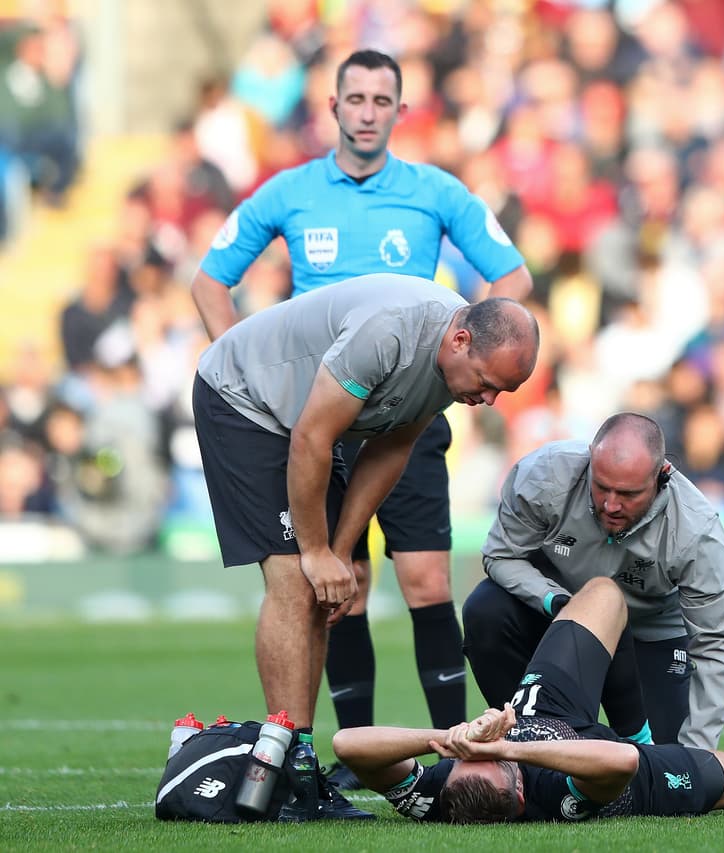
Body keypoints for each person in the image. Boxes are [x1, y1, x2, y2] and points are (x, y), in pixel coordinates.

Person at [191, 48, 534, 789]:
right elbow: (214, 286)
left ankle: (428, 752)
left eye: (383, 100)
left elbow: (513, 280)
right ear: (335, 106)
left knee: (401, 579)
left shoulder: (437, 203)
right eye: (357, 98)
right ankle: (309, 761)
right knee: (301, 578)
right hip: (295, 406)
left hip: (388, 398)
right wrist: (253, 369)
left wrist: (338, 549)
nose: (369, 112)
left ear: (400, 111)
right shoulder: (290, 192)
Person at [192, 273, 539, 820]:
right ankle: (290, 773)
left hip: (303, 425)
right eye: (487, 383)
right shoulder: (389, 333)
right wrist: (315, 552)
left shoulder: (450, 366)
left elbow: (390, 450)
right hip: (244, 401)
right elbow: (311, 436)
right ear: (461, 341)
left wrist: (342, 552)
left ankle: (299, 767)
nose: (488, 400)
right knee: (294, 580)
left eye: (502, 392)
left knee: (321, 587)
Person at [333, 577, 724, 823]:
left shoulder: (436, 797)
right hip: (616, 769)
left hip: (547, 710)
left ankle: (633, 716)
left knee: (603, 594)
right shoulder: (557, 797)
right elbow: (620, 761)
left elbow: (347, 744)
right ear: (520, 794)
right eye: (494, 762)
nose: (482, 754)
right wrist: (506, 748)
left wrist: (450, 739)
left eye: (469, 761)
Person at [461, 412, 724, 750]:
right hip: (555, 618)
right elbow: (501, 556)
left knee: (664, 768)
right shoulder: (544, 475)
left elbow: (715, 643)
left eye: (628, 494)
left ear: (662, 475)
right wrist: (559, 603)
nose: (611, 505)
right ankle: (526, 738)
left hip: (648, 633)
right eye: (602, 487)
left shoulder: (697, 531)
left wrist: (697, 757)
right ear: (590, 459)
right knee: (486, 611)